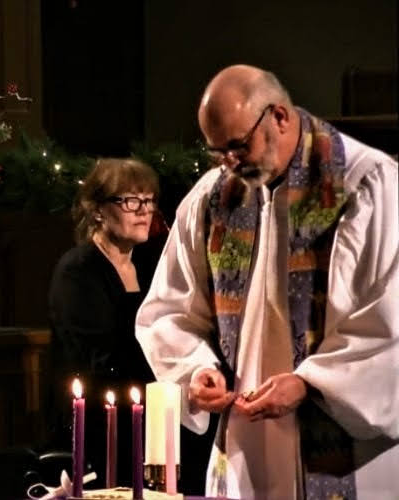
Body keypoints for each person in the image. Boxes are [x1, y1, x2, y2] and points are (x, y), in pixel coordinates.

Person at [135, 64, 399, 499]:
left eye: (238, 146)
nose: (229, 163)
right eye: (218, 151)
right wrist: (197, 369)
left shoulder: (365, 184)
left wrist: (311, 382)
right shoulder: (211, 198)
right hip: (246, 446)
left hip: (347, 453)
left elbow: (389, 319)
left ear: (278, 116)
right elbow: (169, 309)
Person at [48, 157, 159, 486]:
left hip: (145, 413)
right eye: (130, 201)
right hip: (95, 421)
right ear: (97, 210)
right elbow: (101, 355)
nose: (144, 210)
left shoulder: (150, 265)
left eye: (149, 200)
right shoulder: (78, 270)